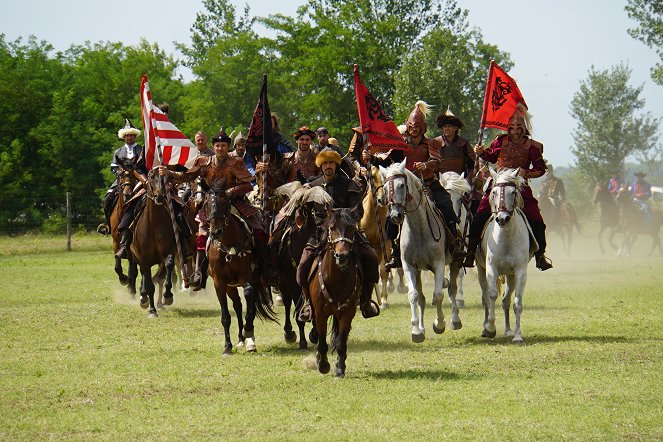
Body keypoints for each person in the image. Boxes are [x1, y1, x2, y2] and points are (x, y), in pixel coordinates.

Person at [159, 129, 279, 287]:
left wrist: (230, 192)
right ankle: (199, 273)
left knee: (258, 228)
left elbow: (248, 185)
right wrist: (169, 172)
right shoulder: (204, 162)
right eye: (217, 145)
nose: (220, 148)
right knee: (201, 232)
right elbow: (187, 176)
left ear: (228, 147)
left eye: (223, 145)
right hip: (212, 203)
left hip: (236, 201)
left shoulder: (235, 162)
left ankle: (266, 267)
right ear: (213, 147)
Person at [462, 106, 553, 271]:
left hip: (520, 186)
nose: (516, 131)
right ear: (508, 127)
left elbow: (540, 169)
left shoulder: (532, 147)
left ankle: (540, 256)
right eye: (512, 127)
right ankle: (470, 252)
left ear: (524, 128)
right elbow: (490, 156)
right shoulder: (500, 141)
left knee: (537, 220)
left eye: (519, 128)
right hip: (498, 184)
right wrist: (481, 152)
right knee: (480, 215)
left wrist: (527, 173)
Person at [296, 147, 380, 321]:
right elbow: (304, 212)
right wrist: (302, 199)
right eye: (325, 163)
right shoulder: (313, 185)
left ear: (336, 164)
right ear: (320, 165)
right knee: (302, 266)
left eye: (331, 163)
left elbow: (359, 211)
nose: (328, 166)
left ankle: (365, 301)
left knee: (371, 257)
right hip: (319, 233)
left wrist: (340, 215)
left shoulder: (349, 184)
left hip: (346, 232)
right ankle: (308, 304)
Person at [383, 100, 463, 269]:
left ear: (422, 127)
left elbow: (437, 160)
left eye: (417, 126)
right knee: (391, 216)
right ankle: (396, 253)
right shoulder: (400, 144)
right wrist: (371, 158)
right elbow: (386, 160)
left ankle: (453, 244)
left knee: (447, 205)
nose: (413, 129)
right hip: (405, 188)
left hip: (428, 184)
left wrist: (426, 165)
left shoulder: (431, 143)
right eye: (411, 126)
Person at [105, 119, 149, 259]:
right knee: (106, 199)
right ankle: (107, 225)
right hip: (122, 181)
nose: (129, 137)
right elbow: (113, 167)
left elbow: (145, 166)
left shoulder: (141, 150)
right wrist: (120, 174)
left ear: (135, 136)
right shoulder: (118, 151)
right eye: (127, 135)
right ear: (124, 137)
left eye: (131, 135)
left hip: (138, 182)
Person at [434, 108, 476, 179]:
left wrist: (468, 179)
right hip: (440, 180)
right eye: (444, 126)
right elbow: (430, 163)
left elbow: (473, 164)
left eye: (449, 126)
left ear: (455, 128)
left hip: (460, 180)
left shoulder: (464, 143)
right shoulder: (436, 142)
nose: (446, 129)